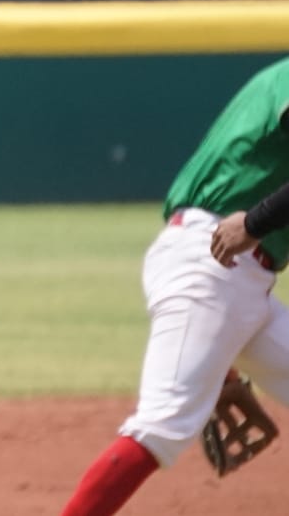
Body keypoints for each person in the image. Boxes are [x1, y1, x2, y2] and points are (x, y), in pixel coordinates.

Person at [59, 57, 289, 515]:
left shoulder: (275, 75)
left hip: (234, 277)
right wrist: (259, 221)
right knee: (161, 427)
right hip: (215, 261)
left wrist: (218, 361)